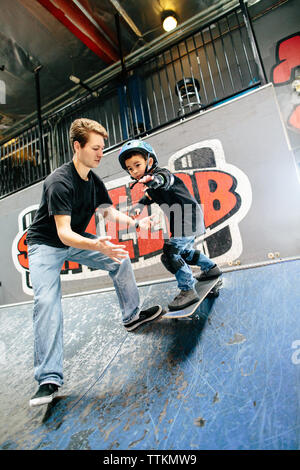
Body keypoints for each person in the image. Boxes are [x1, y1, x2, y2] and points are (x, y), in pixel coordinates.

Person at [26, 119, 162, 407]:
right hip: (44, 245)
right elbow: (63, 233)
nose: (101, 154)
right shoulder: (59, 182)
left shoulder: (94, 181)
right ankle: (48, 379)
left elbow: (109, 215)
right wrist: (96, 244)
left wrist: (138, 224)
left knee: (120, 258)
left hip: (76, 240)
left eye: (103, 147)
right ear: (78, 147)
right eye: (96, 148)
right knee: (47, 303)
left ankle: (131, 315)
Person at [118, 139, 222, 311]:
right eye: (130, 168)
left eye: (137, 165)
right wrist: (140, 205)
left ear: (149, 161)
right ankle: (210, 268)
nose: (134, 171)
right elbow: (151, 195)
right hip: (185, 219)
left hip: (188, 217)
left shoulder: (161, 174)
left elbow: (164, 180)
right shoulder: (150, 186)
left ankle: (187, 290)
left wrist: (154, 180)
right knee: (184, 253)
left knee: (170, 253)